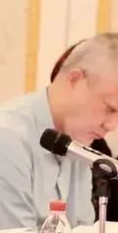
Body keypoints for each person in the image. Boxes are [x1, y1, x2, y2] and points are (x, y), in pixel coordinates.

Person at [0, 33, 118, 232]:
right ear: (74, 80)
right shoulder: (2, 137)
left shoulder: (77, 140)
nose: (112, 126)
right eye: (111, 108)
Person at [50, 41, 118, 222]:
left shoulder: (92, 145)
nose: (112, 126)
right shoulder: (11, 136)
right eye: (110, 108)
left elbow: (85, 226)